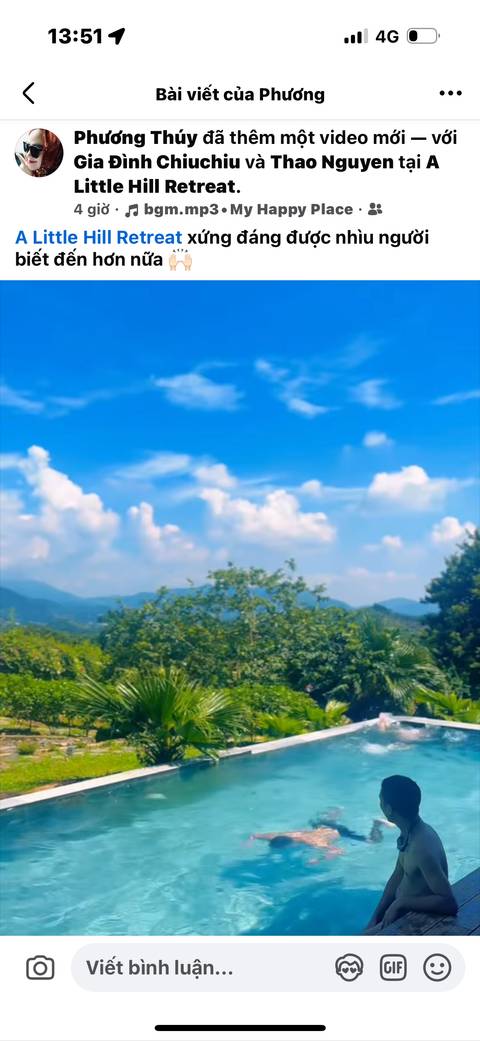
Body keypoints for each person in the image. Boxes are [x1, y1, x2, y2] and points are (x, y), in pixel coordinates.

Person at [365, 775, 458, 932]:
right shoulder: (409, 832)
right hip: (402, 914)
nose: (379, 804)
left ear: (388, 809)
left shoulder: (422, 848)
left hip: (419, 921)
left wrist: (402, 903)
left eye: (381, 800)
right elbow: (397, 876)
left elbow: (449, 902)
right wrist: (375, 917)